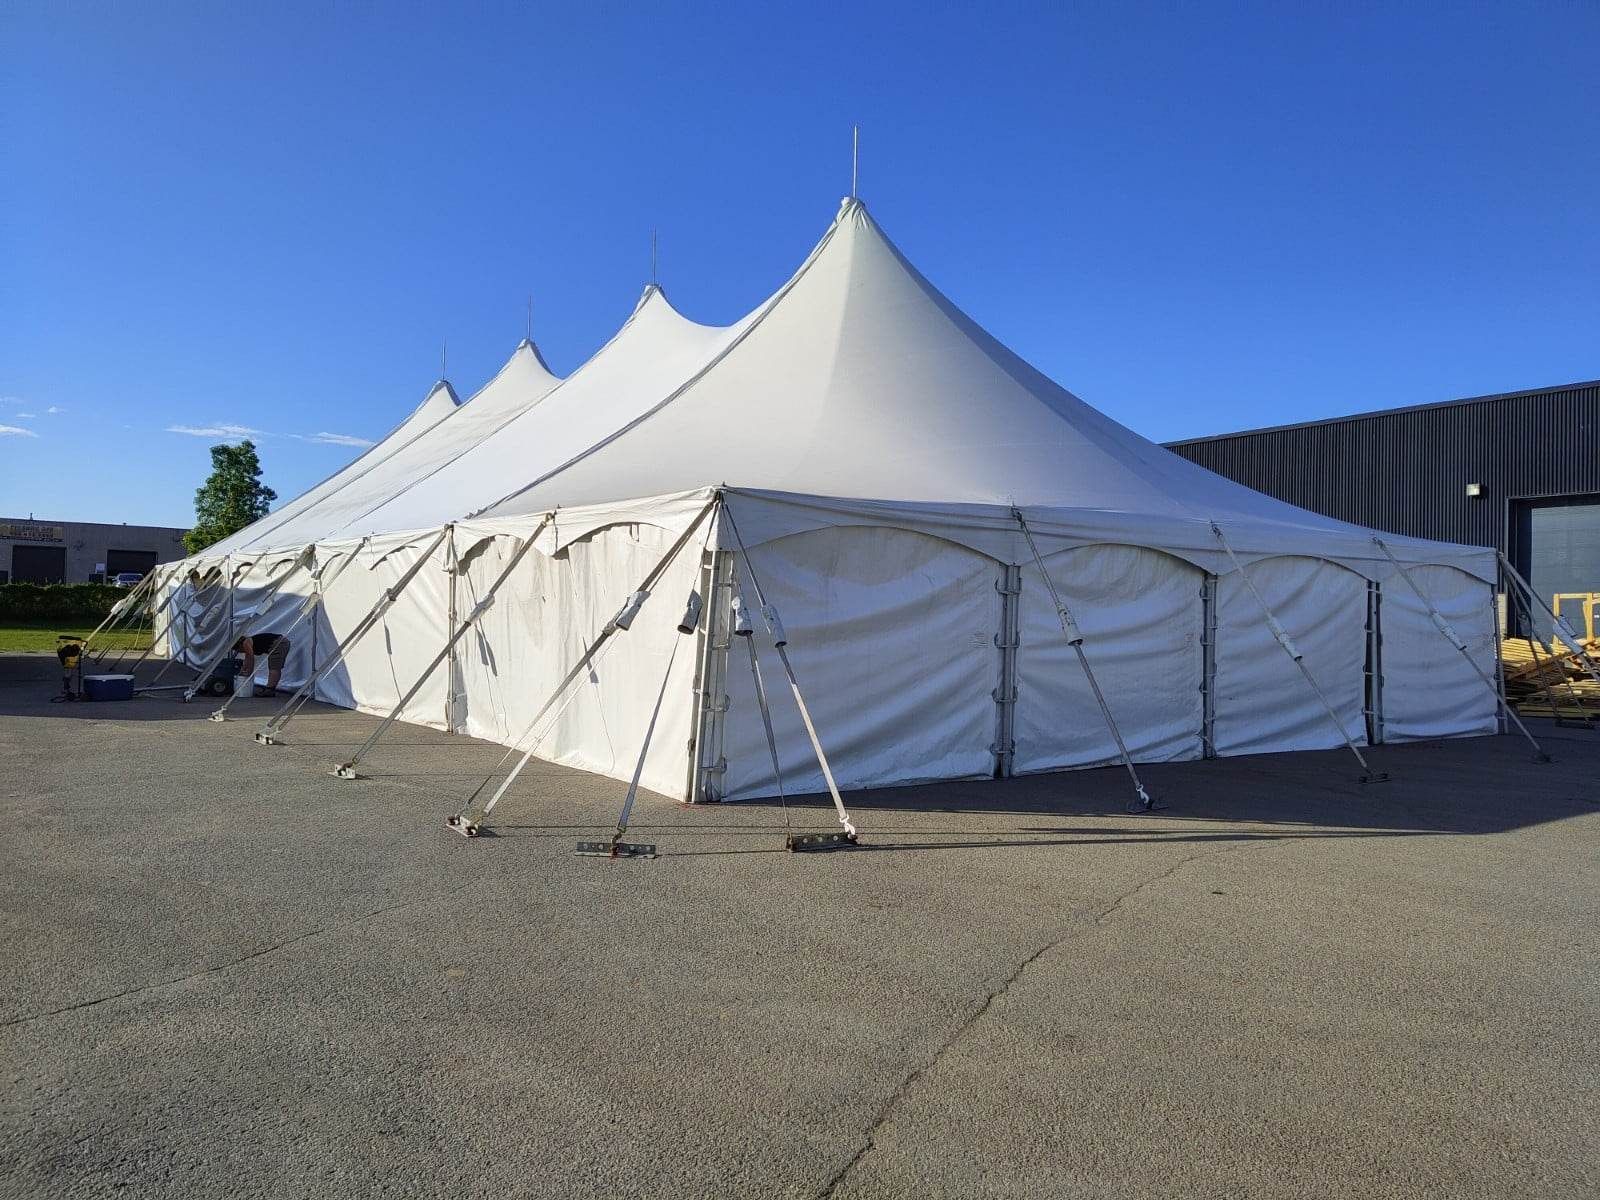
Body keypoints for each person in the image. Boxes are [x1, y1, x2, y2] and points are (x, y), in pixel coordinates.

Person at [234, 631, 291, 696]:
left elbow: (251, 658)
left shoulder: (245, 643)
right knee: (274, 667)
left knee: (274, 668)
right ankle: (270, 689)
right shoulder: (247, 642)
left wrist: (249, 673)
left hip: (279, 643)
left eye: (238, 650)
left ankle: (269, 690)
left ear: (239, 646)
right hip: (280, 642)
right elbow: (247, 659)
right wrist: (241, 672)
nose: (240, 652)